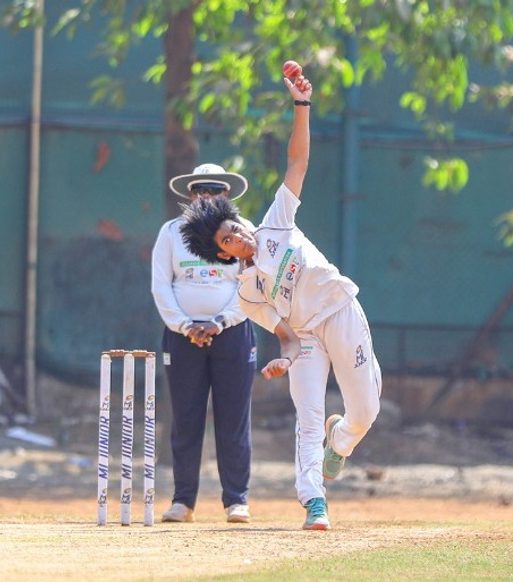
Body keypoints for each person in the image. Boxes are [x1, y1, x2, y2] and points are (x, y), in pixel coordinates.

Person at [179, 70, 381, 530]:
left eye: (235, 228)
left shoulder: (276, 221)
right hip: (306, 337)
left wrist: (302, 105)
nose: (238, 236)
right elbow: (287, 335)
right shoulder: (247, 293)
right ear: (223, 254)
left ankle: (341, 440)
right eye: (228, 240)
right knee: (307, 418)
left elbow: (297, 162)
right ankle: (314, 502)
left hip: (341, 312)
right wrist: (284, 360)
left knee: (365, 413)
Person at [151, 163, 257, 524]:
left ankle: (236, 500)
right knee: (185, 418)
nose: (206, 197)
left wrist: (220, 321)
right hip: (183, 337)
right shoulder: (171, 232)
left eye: (214, 190)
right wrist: (184, 325)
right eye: (199, 191)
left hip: (232, 332)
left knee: (233, 418)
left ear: (227, 195)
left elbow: (252, 285)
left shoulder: (243, 232)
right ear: (190, 195)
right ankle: (183, 501)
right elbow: (161, 285)